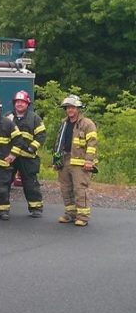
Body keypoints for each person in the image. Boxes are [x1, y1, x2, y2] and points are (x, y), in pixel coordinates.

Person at [54, 95, 97, 227]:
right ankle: (70, 214)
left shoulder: (87, 124)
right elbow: (59, 142)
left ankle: (83, 216)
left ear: (78, 108)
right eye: (68, 108)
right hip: (65, 159)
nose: (70, 110)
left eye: (72, 107)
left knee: (80, 189)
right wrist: (56, 159)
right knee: (66, 189)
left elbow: (92, 143)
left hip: (80, 162)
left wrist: (89, 161)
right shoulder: (64, 123)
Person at [6, 90, 46, 218]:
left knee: (30, 182)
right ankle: (0, 206)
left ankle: (36, 207)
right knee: (4, 181)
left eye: (22, 102)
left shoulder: (35, 118)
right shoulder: (8, 117)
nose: (19, 104)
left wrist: (31, 148)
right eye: (17, 102)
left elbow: (41, 135)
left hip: (27, 156)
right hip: (11, 156)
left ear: (27, 104)